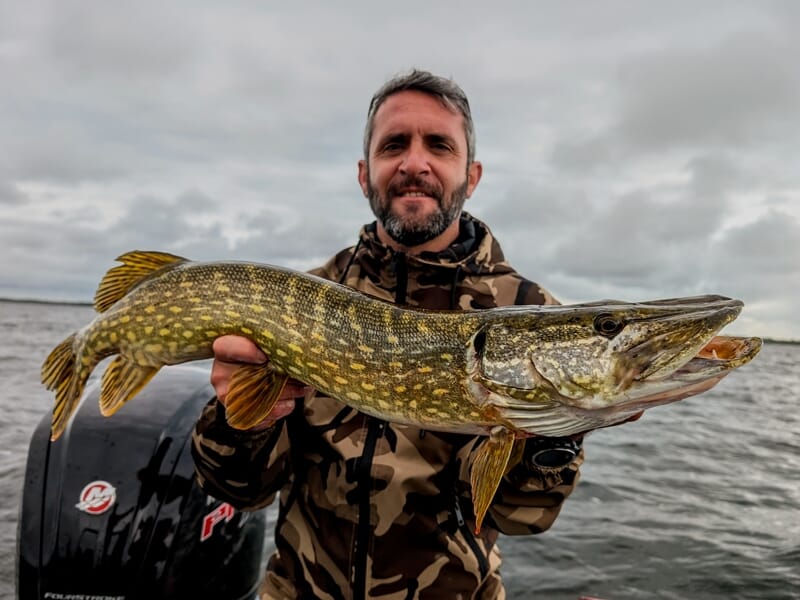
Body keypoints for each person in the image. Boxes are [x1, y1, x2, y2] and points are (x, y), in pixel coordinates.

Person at [192, 69, 584, 599]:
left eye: (439, 146)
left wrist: (555, 429)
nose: (414, 163)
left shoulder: (529, 313)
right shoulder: (299, 300)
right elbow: (238, 490)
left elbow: (520, 518)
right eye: (394, 144)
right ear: (364, 174)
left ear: (471, 176)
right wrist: (244, 420)